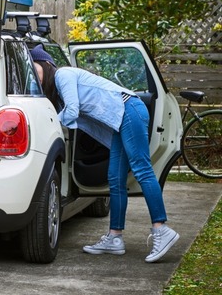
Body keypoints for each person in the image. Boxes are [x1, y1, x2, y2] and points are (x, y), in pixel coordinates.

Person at [29, 44, 179, 263]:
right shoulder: (57, 91)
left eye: (35, 69)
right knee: (115, 180)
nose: (35, 76)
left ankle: (161, 229)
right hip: (120, 120)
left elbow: (72, 110)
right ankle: (115, 237)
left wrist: (46, 122)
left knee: (142, 169)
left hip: (129, 110)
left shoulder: (63, 74)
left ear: (45, 64)